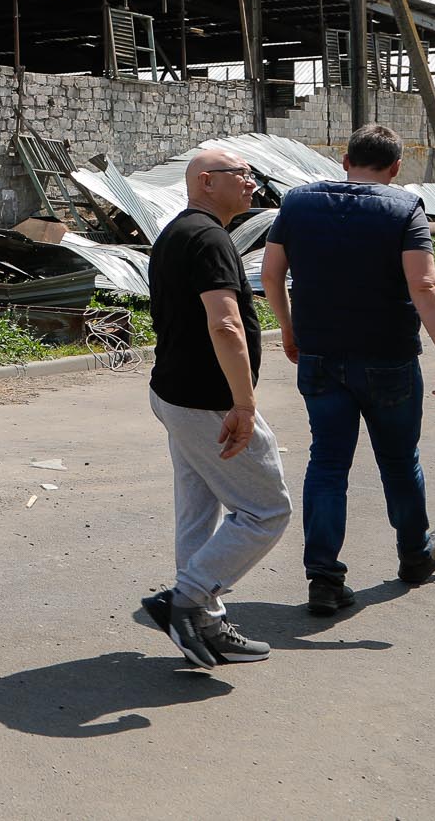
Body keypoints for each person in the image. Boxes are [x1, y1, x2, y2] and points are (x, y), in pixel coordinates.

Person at [261, 123, 435, 615]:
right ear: (396, 168)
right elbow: (426, 286)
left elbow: (272, 275)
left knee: (328, 464)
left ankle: (324, 581)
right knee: (399, 461)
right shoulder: (403, 208)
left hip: (319, 357)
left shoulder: (296, 203)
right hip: (389, 359)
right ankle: (415, 557)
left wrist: (289, 332)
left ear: (344, 159)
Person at [140, 148, 293, 669]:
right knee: (266, 510)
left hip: (173, 395)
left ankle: (202, 616)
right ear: (207, 181)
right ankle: (188, 600)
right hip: (207, 401)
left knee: (197, 510)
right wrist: (245, 404)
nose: (252, 182)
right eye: (242, 175)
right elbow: (224, 324)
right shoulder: (208, 238)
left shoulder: (177, 233)